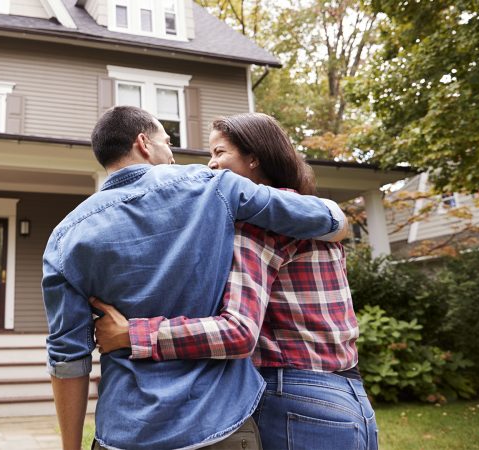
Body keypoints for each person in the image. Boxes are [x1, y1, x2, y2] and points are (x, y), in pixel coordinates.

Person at [43, 106, 349, 450]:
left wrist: (71, 446)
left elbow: (67, 358)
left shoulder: (64, 237)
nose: (173, 155)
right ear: (144, 143)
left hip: (125, 430)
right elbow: (325, 219)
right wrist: (338, 219)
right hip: (218, 425)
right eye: (167, 141)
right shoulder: (213, 187)